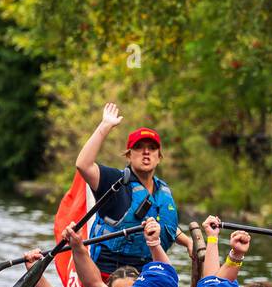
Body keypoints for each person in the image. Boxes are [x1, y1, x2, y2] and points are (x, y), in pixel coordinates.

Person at [74, 102, 187, 273]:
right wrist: (105, 126)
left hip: (149, 271)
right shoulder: (115, 182)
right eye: (139, 147)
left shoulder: (161, 190)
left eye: (152, 148)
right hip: (113, 274)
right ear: (129, 155)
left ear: (159, 157)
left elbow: (165, 223)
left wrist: (188, 242)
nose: (146, 152)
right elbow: (83, 165)